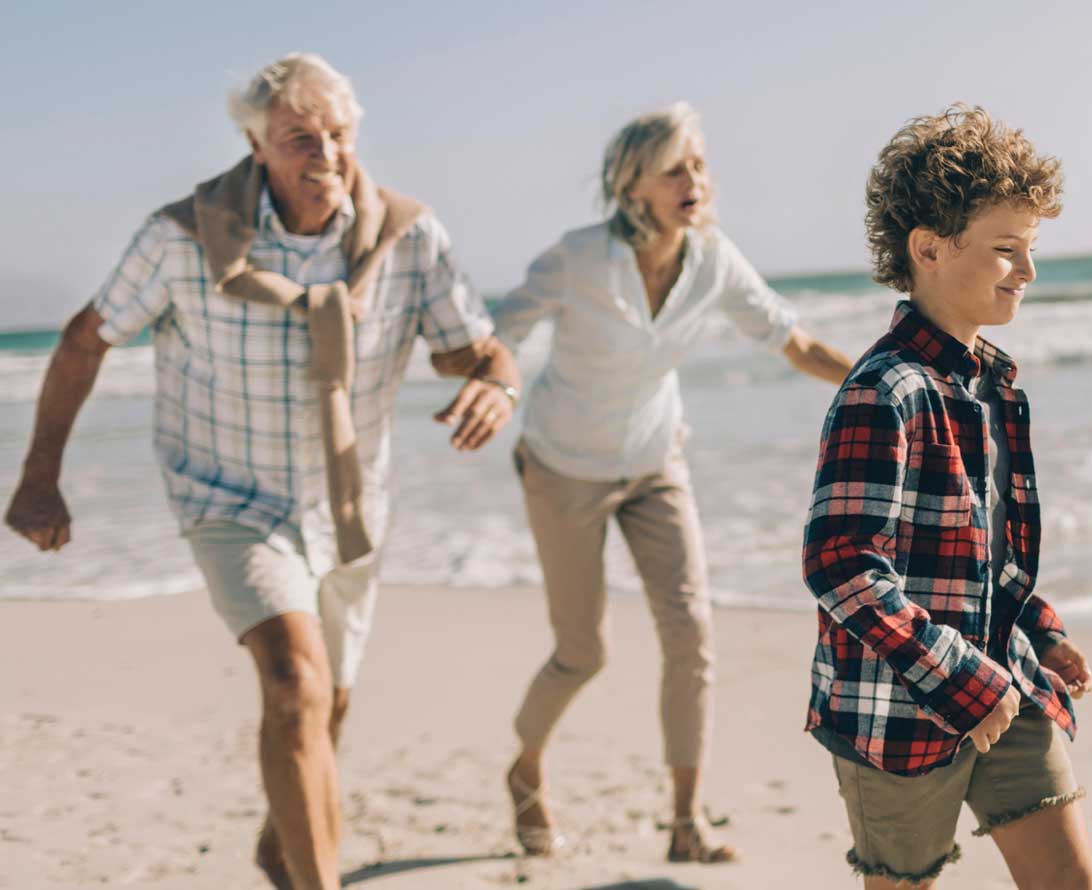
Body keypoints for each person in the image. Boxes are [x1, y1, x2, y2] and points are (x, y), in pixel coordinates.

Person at [2, 53, 520, 889]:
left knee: (330, 701)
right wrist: (38, 476)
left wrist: (498, 380)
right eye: (298, 137)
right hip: (228, 493)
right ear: (255, 145)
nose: (324, 152)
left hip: (350, 502)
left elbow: (468, 345)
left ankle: (280, 845)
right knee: (295, 683)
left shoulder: (407, 235)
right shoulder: (184, 236)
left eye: (338, 134)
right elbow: (84, 337)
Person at [491, 102, 852, 863]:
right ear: (634, 186)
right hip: (563, 468)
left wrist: (886, 379)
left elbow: (795, 340)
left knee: (691, 637)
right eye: (675, 168)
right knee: (582, 652)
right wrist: (487, 383)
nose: (695, 180)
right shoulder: (579, 257)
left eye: (699, 164)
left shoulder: (714, 258)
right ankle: (525, 770)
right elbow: (503, 335)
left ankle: (685, 825)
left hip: (656, 463)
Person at [800, 104, 1092, 890]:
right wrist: (960, 681)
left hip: (1009, 680)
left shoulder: (996, 385)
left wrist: (1038, 623)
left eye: (1031, 249)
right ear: (928, 249)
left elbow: (983, 553)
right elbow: (840, 564)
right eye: (1006, 251)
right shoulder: (881, 392)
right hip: (897, 712)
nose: (1027, 273)